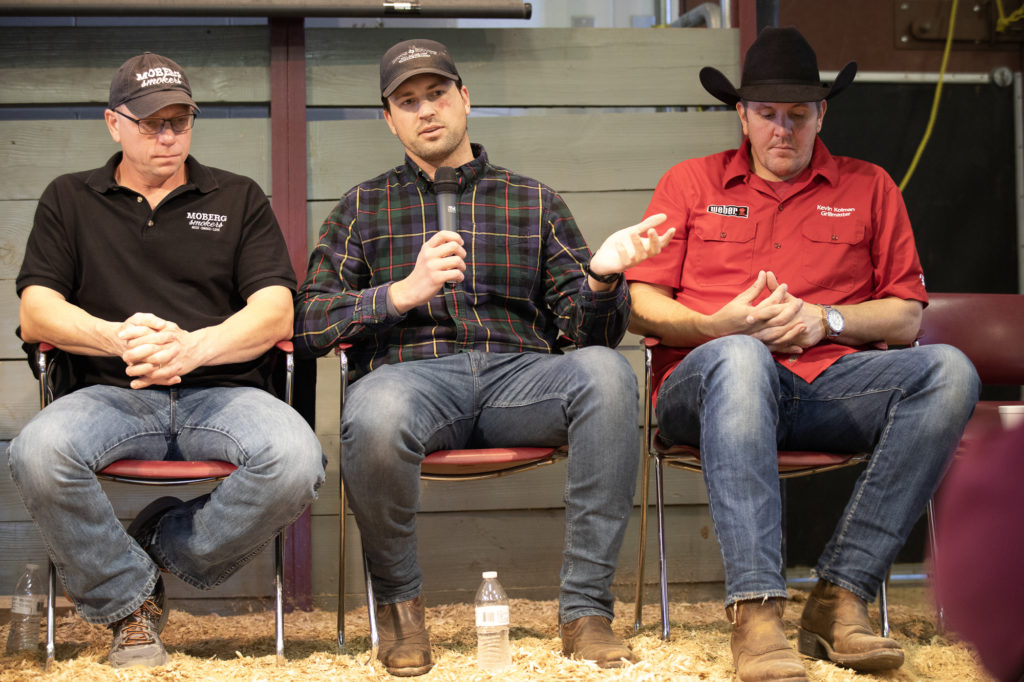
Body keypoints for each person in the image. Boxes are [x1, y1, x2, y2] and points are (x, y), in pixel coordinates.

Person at [295, 39, 673, 677]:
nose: (426, 111)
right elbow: (309, 322)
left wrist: (605, 277)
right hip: (410, 380)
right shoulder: (362, 206)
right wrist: (397, 294)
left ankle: (586, 614)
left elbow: (590, 335)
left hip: (519, 379)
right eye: (407, 102)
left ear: (465, 99)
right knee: (377, 413)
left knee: (608, 376)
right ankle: (400, 614)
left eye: (437, 94)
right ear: (390, 120)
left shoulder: (533, 200)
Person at [625, 27, 979, 682]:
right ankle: (757, 613)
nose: (782, 129)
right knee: (740, 358)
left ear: (823, 113)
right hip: (704, 388)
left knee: (951, 371)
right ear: (742, 114)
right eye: (767, 114)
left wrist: (828, 320)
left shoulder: (871, 187)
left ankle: (840, 597)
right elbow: (640, 304)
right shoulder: (689, 183)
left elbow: (905, 316)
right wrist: (717, 325)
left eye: (797, 114)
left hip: (826, 387)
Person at [9, 53, 325, 669]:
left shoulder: (237, 196)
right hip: (111, 393)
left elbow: (277, 311)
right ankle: (130, 606)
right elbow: (36, 311)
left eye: (180, 121)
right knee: (37, 454)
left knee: (295, 462)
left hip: (224, 392)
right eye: (152, 122)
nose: (168, 135)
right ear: (113, 124)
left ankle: (159, 546)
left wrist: (193, 347)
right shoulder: (69, 199)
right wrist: (118, 338)